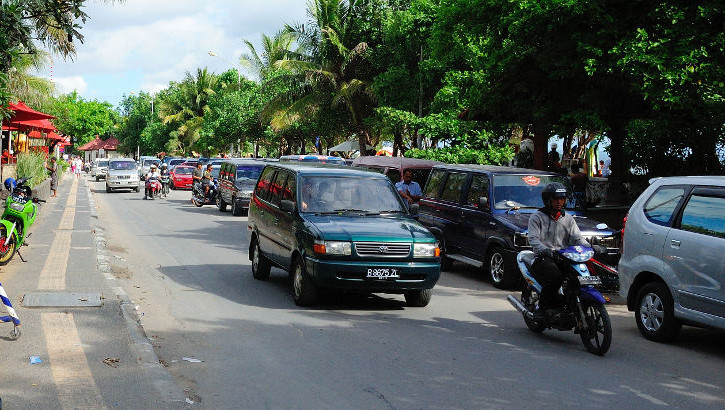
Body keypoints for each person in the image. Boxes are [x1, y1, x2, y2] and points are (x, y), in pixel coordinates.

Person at [527, 183, 605, 320]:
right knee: (555, 277)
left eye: (562, 199)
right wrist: (546, 250)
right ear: (547, 200)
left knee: (579, 276)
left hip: (564, 256)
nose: (559, 202)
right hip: (544, 258)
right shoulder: (537, 217)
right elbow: (533, 239)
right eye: (555, 199)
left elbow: (577, 238)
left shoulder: (568, 219)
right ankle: (543, 308)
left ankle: (572, 304)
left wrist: (590, 248)